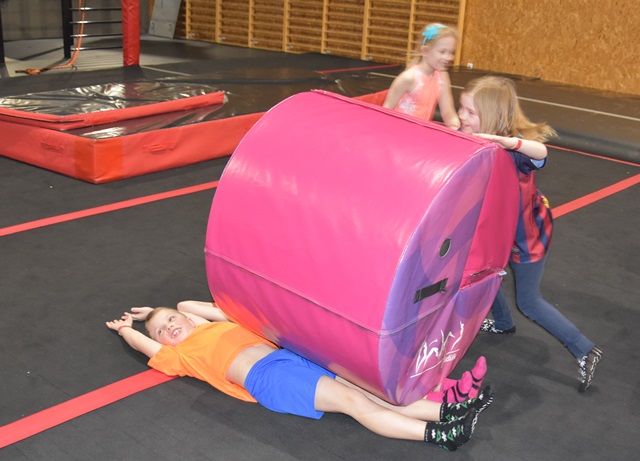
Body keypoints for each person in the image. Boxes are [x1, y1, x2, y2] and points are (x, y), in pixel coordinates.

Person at [106, 300, 494, 451]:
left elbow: (194, 305)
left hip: (290, 358)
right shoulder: (181, 355)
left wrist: (155, 311)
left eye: (171, 320)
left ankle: (449, 409)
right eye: (162, 331)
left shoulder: (214, 324)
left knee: (369, 392)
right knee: (354, 402)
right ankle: (440, 434)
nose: (169, 328)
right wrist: (129, 328)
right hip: (268, 378)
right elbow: (146, 345)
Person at [457, 76, 603, 393]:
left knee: (529, 302)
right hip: (496, 232)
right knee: (483, 272)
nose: (461, 117)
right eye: (461, 109)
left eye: (470, 112)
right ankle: (503, 322)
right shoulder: (468, 136)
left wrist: (507, 142)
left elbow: (541, 153)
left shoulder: (515, 151)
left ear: (491, 117)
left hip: (527, 236)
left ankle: (584, 349)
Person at [383, 23, 460, 129]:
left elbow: (448, 113)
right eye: (443, 52)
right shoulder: (409, 78)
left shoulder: (442, 77)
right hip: (399, 130)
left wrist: (456, 128)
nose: (449, 58)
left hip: (421, 132)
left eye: (451, 52)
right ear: (425, 51)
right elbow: (386, 110)